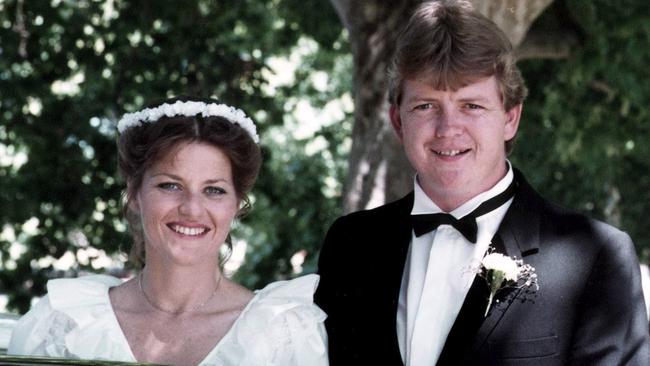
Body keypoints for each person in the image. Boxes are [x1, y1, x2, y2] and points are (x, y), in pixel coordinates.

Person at [314, 1, 650, 365]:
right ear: (397, 121)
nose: (447, 129)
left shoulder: (594, 257)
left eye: (471, 105)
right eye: (426, 106)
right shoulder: (349, 245)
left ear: (510, 118)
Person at [9, 97, 328, 366]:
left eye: (214, 190)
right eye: (170, 185)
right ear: (134, 195)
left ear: (237, 204)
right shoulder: (62, 324)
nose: (191, 208)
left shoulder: (282, 334)